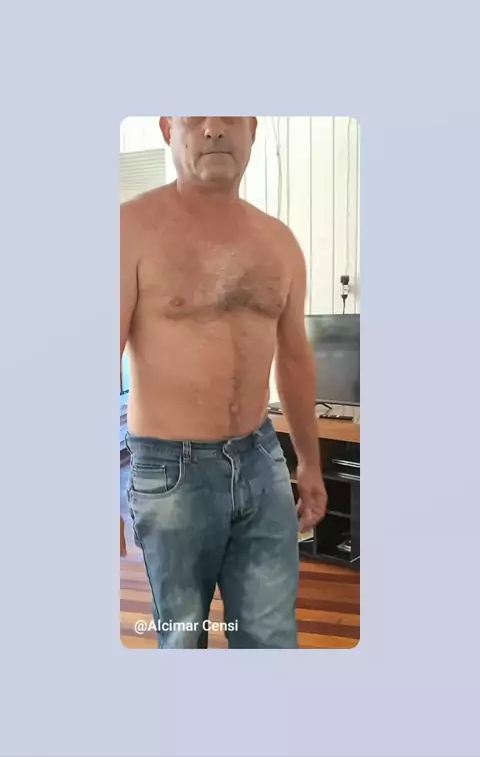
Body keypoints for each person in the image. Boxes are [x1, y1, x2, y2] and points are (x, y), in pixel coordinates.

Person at [120, 116, 327, 649]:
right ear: (168, 129)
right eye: (195, 115)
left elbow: (295, 359)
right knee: (182, 639)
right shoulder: (129, 229)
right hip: (170, 470)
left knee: (270, 638)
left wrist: (309, 462)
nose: (213, 128)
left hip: (261, 459)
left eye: (230, 115)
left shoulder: (279, 242)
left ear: (252, 129)